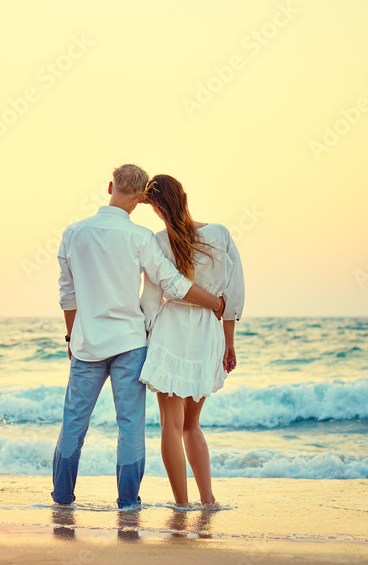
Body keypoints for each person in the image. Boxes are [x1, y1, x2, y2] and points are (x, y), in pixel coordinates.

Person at [53, 164, 226, 509]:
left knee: (73, 423)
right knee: (130, 427)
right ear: (140, 199)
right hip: (130, 344)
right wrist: (215, 304)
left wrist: (72, 336)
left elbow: (67, 294)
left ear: (110, 187)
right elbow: (172, 285)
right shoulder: (140, 237)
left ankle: (62, 501)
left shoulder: (74, 232)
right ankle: (128, 504)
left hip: (86, 344)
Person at [138, 174, 245, 508]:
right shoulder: (220, 234)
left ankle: (182, 504)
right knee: (192, 425)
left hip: (171, 330)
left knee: (171, 424)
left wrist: (144, 337)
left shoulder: (157, 241)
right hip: (207, 332)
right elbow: (234, 294)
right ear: (184, 196)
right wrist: (229, 343)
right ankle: (208, 500)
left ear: (155, 208)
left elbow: (152, 300)